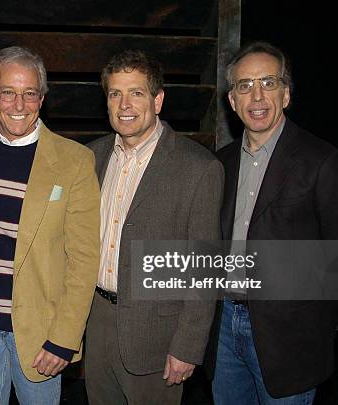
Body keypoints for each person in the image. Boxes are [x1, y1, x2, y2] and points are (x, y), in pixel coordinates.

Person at [204, 41, 338, 404]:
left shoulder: (324, 162)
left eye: (268, 83)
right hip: (225, 330)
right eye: (244, 86)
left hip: (290, 339)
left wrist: (317, 329)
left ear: (286, 94)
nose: (256, 95)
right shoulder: (220, 164)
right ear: (232, 101)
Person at [0, 46, 100, 404]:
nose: (18, 104)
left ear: (41, 99)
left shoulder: (74, 161)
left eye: (30, 93)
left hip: (38, 329)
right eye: (7, 92)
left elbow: (83, 260)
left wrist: (64, 338)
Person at [84, 50, 224, 404]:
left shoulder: (198, 168)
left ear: (158, 100)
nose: (124, 104)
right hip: (96, 321)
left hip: (158, 336)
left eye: (136, 92)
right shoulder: (91, 158)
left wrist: (188, 347)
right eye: (115, 93)